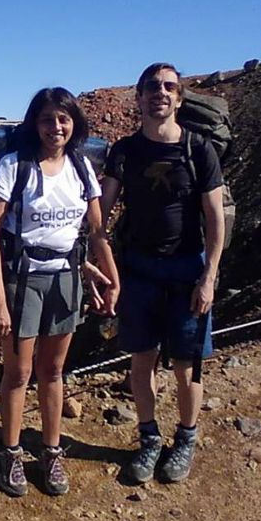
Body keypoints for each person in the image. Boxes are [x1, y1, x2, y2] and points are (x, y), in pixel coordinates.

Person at [0, 87, 119, 497]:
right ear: (34, 124)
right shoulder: (13, 166)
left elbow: (96, 230)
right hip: (22, 280)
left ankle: (51, 450)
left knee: (54, 371)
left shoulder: (81, 167)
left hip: (65, 278)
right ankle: (10, 452)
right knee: (19, 373)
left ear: (74, 123)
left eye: (63, 119)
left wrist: (111, 277)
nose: (55, 127)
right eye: (46, 119)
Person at [100, 62, 225, 484]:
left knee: (188, 364)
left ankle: (186, 438)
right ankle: (150, 438)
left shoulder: (198, 149)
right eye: (153, 86)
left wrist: (208, 278)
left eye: (170, 87)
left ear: (180, 98)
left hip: (188, 270)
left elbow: (214, 219)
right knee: (142, 359)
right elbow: (102, 210)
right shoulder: (125, 151)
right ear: (139, 98)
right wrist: (97, 257)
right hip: (138, 271)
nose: (161, 92)